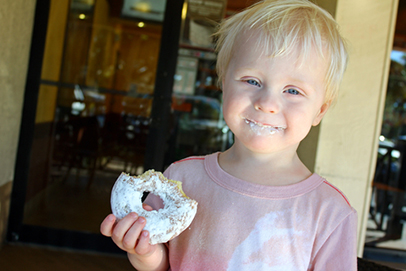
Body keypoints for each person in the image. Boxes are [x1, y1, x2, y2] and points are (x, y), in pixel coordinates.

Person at [100, 0, 357, 270]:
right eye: (252, 81)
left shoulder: (329, 213)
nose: (267, 102)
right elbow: (166, 263)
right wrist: (145, 254)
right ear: (224, 83)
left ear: (320, 111)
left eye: (293, 90)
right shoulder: (181, 178)